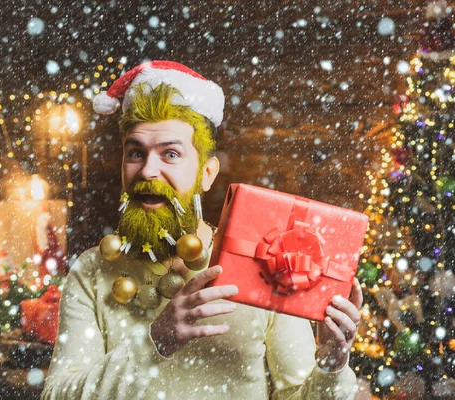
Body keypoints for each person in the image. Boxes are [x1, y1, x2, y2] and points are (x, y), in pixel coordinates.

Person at [41, 61, 362, 399]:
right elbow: (57, 395)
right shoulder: (91, 271)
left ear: (207, 173)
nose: (148, 170)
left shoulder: (265, 267)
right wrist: (155, 343)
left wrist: (330, 366)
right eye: (136, 153)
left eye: (171, 154)